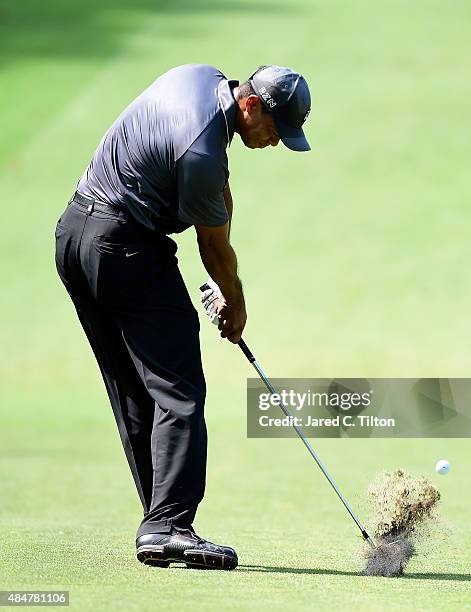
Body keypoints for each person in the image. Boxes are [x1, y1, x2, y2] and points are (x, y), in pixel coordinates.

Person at [54, 64, 311, 570]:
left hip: (73, 237)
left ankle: (157, 524)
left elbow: (219, 193)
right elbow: (212, 246)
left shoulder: (202, 80)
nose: (276, 142)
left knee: (134, 386)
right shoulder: (201, 151)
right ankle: (170, 525)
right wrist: (234, 303)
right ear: (252, 107)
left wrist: (224, 284)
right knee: (179, 388)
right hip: (124, 246)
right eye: (276, 130)